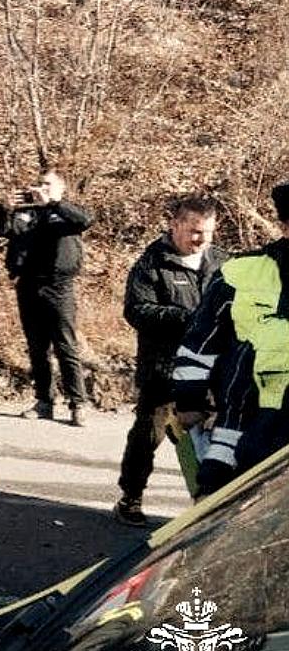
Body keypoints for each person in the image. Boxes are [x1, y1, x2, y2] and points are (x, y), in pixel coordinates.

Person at [172, 182, 289, 499]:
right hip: (243, 426)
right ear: (284, 225)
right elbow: (199, 344)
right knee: (223, 509)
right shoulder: (241, 273)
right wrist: (189, 402)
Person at [115, 193, 222, 526]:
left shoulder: (223, 262)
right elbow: (136, 310)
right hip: (164, 368)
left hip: (210, 369)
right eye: (193, 231)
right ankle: (130, 497)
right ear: (174, 225)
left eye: (207, 232)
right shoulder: (152, 263)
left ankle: (207, 502)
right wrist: (186, 317)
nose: (200, 239)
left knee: (208, 440)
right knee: (149, 435)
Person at [0, 170, 91, 425]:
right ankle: (44, 401)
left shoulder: (66, 212)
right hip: (28, 285)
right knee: (37, 348)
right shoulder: (27, 212)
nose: (40, 188)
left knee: (66, 345)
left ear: (60, 188)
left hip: (59, 286)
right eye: (38, 183)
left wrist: (53, 204)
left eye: (48, 184)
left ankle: (77, 403)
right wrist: (4, 208)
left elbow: (85, 221)